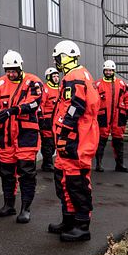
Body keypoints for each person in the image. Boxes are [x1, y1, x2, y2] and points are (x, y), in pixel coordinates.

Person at [47, 40, 100, 242]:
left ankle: (81, 224)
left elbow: (75, 107)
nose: (56, 62)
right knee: (65, 179)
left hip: (77, 139)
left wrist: (66, 132)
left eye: (58, 58)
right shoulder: (76, 75)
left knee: (76, 181)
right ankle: (69, 219)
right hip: (72, 137)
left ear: (66, 56)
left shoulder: (75, 77)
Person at [0, 50, 43, 224]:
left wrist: (13, 110)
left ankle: (25, 209)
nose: (10, 73)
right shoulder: (0, 83)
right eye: (7, 70)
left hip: (26, 135)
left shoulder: (33, 82)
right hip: (5, 136)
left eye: (13, 70)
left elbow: (35, 102)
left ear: (20, 67)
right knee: (6, 172)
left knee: (26, 173)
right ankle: (8, 205)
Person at [93, 60, 128, 173]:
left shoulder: (121, 84)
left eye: (110, 70)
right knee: (101, 141)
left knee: (118, 141)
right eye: (106, 70)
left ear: (114, 71)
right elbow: (92, 101)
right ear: (103, 70)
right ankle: (98, 164)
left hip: (118, 116)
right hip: (103, 116)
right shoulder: (97, 85)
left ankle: (120, 165)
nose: (109, 72)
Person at [39, 67, 60, 172]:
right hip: (47, 121)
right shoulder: (45, 89)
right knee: (48, 143)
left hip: (57, 121)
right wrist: (41, 119)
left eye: (57, 76)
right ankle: (47, 164)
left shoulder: (60, 89)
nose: (56, 78)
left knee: (54, 144)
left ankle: (48, 163)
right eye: (54, 76)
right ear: (49, 77)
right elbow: (41, 105)